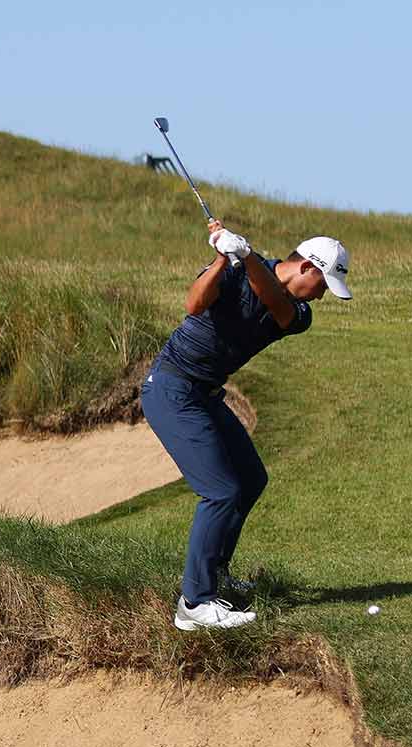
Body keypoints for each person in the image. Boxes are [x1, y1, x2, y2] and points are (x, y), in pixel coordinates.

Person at [141, 220, 352, 631]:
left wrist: (246, 254)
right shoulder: (237, 272)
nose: (323, 294)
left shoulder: (298, 313)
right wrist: (223, 259)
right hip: (171, 389)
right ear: (307, 267)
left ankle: (215, 576)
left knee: (251, 478)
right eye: (323, 283)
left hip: (203, 394)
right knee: (221, 490)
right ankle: (195, 604)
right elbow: (193, 303)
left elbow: (273, 299)